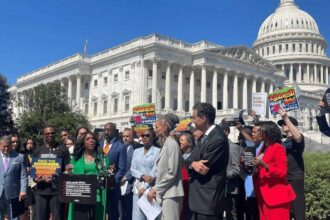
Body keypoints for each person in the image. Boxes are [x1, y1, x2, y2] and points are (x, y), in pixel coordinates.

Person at [186, 103, 229, 220]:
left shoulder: (217, 138)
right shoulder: (205, 136)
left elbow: (204, 166)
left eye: (194, 118)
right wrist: (193, 163)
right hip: (200, 199)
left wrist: (192, 163)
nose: (193, 121)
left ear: (203, 118)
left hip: (208, 200)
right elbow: (190, 159)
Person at [252, 121, 296, 220]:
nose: (257, 133)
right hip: (263, 195)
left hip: (276, 197)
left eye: (260, 131)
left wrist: (266, 166)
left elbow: (283, 172)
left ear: (267, 132)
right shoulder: (263, 148)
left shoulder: (278, 148)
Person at [147, 113, 184, 220]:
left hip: (171, 194)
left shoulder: (172, 144)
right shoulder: (166, 144)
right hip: (165, 194)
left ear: (165, 128)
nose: (155, 130)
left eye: (157, 127)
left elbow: (172, 172)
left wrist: (155, 189)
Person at [33, 125, 71, 220]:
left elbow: (67, 170)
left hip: (57, 192)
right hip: (41, 192)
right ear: (43, 135)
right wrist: (36, 179)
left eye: (52, 133)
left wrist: (56, 178)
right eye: (47, 133)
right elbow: (33, 172)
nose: (50, 135)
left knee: (58, 217)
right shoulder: (38, 150)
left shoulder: (63, 149)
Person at [67, 132, 107, 220]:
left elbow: (106, 175)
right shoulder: (75, 159)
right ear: (83, 143)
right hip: (80, 195)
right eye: (88, 139)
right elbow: (70, 176)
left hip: (96, 196)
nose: (91, 141)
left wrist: (109, 171)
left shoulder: (102, 158)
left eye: (93, 138)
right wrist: (69, 171)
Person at [277, 107, 306, 220]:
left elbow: (297, 136)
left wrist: (286, 118)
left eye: (285, 124)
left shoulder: (298, 139)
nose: (283, 125)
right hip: (284, 177)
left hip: (295, 177)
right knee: (286, 208)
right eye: (282, 124)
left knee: (298, 207)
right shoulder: (283, 141)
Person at [131, 128, 159, 220]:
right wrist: (142, 176)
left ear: (153, 137)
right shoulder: (136, 151)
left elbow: (155, 170)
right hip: (138, 187)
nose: (145, 137)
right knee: (137, 216)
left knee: (151, 216)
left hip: (151, 188)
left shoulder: (158, 151)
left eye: (148, 135)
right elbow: (132, 169)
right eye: (143, 136)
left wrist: (145, 187)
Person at [100, 122, 127, 220]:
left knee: (112, 213)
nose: (106, 132)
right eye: (105, 130)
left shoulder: (120, 147)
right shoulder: (98, 145)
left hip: (112, 186)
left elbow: (122, 168)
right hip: (99, 186)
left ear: (114, 131)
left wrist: (112, 181)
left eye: (109, 130)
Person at [219, 122, 244, 220]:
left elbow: (236, 169)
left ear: (225, 132)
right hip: (220, 188)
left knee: (231, 215)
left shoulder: (233, 147)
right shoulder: (218, 147)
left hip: (230, 189)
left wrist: (223, 176)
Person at [0, 136, 27, 220]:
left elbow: (23, 176)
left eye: (8, 146)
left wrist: (23, 190)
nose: (6, 148)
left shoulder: (19, 157)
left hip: (14, 193)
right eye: (4, 146)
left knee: (14, 217)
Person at [119, 128, 135, 220]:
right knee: (119, 210)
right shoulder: (119, 149)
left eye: (127, 136)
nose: (125, 138)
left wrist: (125, 177)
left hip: (129, 184)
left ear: (132, 138)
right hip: (118, 182)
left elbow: (134, 167)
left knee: (128, 210)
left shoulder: (135, 151)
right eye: (124, 136)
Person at [179, 133, 194, 220]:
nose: (180, 142)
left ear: (189, 143)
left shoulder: (193, 156)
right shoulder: (181, 156)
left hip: (189, 188)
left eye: (182, 140)